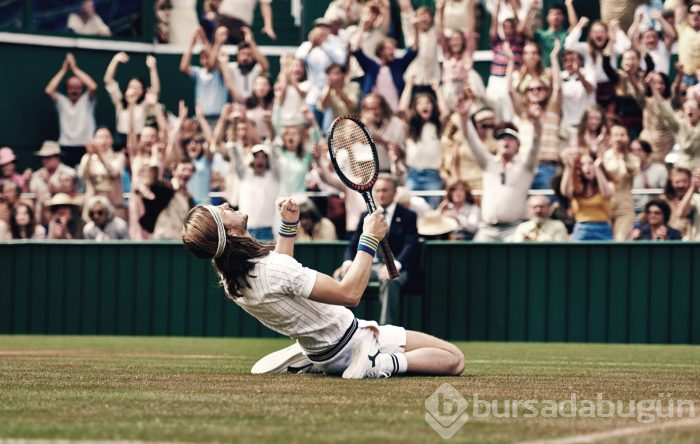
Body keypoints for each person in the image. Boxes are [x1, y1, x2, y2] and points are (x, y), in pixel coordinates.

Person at [182, 198, 464, 378]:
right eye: (219, 212)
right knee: (454, 359)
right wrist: (370, 238)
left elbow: (281, 278)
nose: (224, 206)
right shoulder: (270, 269)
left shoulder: (235, 282)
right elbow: (349, 294)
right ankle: (379, 364)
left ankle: (312, 359)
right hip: (350, 340)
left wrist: (288, 228)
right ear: (228, 232)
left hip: (324, 350)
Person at [333, 174, 419, 326]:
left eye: (385, 190)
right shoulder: (365, 216)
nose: (380, 194)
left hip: (397, 269)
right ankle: (337, 327)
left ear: (394, 192)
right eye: (377, 191)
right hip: (369, 267)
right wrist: (347, 263)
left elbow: (411, 244)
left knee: (389, 278)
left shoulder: (408, 216)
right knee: (339, 276)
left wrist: (394, 266)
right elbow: (353, 244)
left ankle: (386, 329)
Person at [462, 107, 543, 242]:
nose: (506, 141)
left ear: (518, 144)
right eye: (501, 138)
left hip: (515, 229)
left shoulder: (526, 166)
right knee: (476, 258)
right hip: (487, 229)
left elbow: (536, 142)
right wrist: (464, 117)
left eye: (510, 138)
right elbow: (472, 140)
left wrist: (536, 122)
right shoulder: (488, 163)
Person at [44, 53, 97, 167]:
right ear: (67, 89)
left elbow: (93, 86)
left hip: (85, 145)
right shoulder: (62, 101)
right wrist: (63, 70)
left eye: (77, 88)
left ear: (82, 89)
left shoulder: (87, 100)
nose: (74, 91)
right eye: (71, 87)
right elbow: (49, 90)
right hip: (66, 145)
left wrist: (75, 69)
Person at [560, 150, 615, 240]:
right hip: (582, 228)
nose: (587, 167)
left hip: (602, 228)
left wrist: (597, 169)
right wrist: (568, 166)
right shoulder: (577, 187)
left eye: (590, 163)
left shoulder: (607, 184)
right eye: (583, 164)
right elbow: (565, 191)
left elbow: (607, 193)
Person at [630, 138, 668, 214]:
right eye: (632, 150)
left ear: (648, 153)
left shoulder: (660, 170)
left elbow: (665, 196)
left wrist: (649, 187)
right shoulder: (626, 171)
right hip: (630, 211)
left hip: (650, 211)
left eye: (639, 150)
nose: (635, 153)